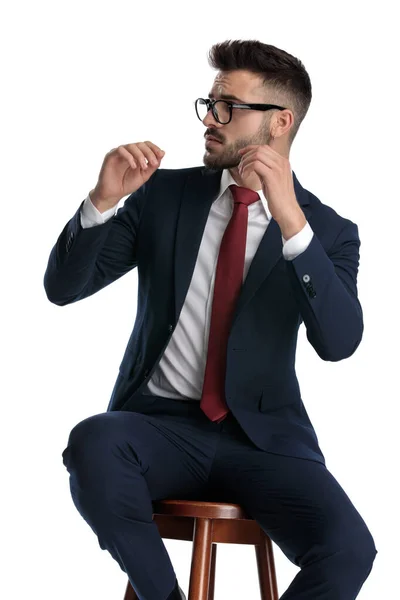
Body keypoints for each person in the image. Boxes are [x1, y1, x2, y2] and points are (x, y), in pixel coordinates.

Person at [44, 39, 377, 599]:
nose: (210, 120)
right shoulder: (164, 195)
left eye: (228, 107)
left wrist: (292, 223)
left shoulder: (330, 231)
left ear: (279, 123)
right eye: (209, 104)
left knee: (349, 550)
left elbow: (340, 342)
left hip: (265, 442)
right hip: (158, 428)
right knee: (93, 443)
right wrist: (101, 202)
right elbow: (63, 289)